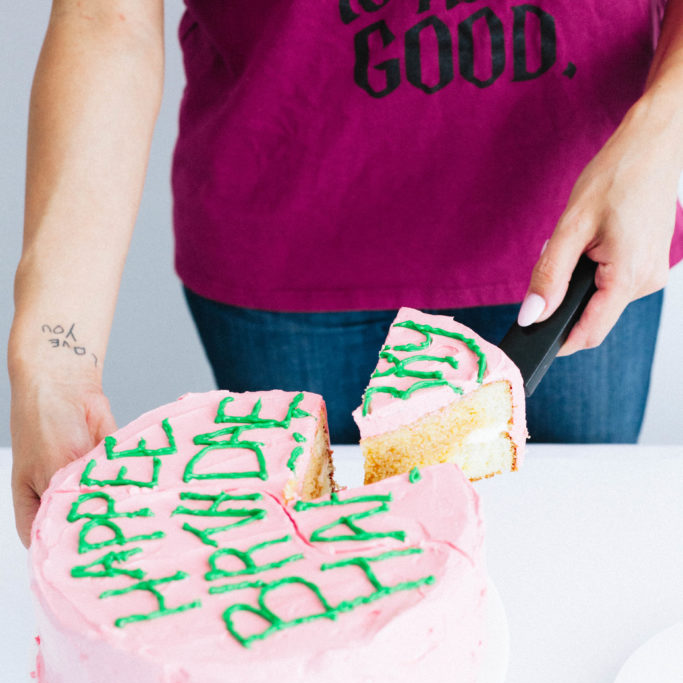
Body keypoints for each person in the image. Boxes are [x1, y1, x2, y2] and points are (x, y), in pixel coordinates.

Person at [8, 0, 683, 547]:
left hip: (574, 231)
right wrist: (54, 361)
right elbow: (105, 19)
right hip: (288, 245)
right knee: (314, 569)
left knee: (564, 552)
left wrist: (662, 131)